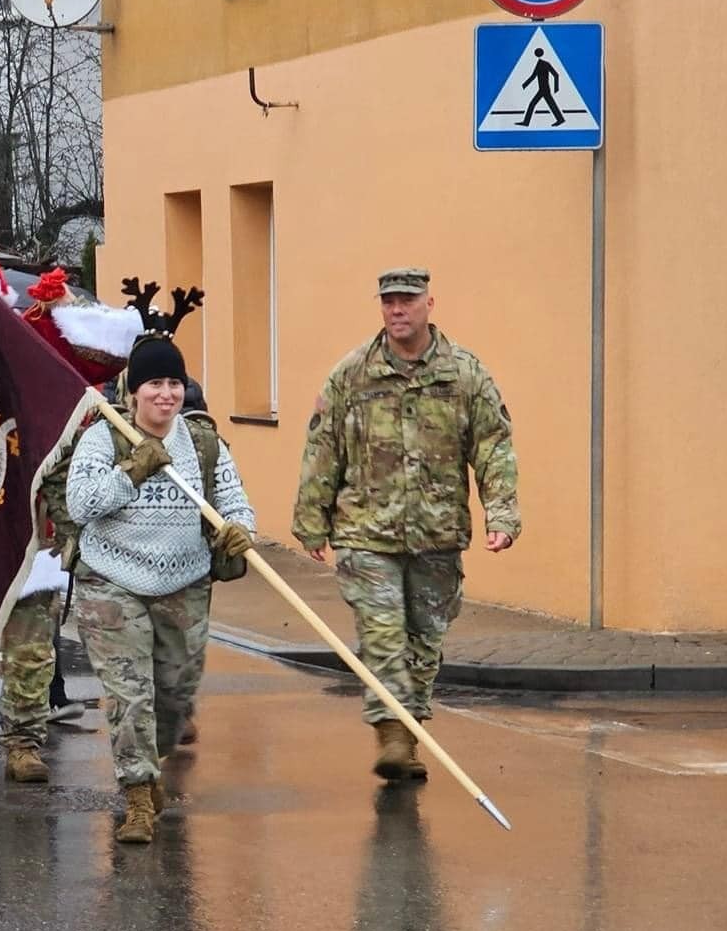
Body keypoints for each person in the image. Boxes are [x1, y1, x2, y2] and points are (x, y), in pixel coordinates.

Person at [292, 267, 519, 782]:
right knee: (383, 634)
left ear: (429, 304)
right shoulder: (351, 374)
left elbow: (493, 447)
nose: (397, 309)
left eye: (407, 300)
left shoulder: (464, 375)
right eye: (389, 301)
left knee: (424, 640)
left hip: (437, 533)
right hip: (364, 532)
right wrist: (311, 519)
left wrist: (501, 514)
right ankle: (391, 733)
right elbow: (322, 447)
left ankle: (408, 731)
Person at [67, 331, 255, 844]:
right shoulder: (103, 437)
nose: (165, 394)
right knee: (130, 697)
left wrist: (240, 531)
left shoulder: (200, 442)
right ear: (133, 390)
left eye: (174, 383)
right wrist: (133, 468)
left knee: (174, 696)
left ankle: (153, 760)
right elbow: (80, 504)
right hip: (111, 579)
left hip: (184, 581)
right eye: (154, 384)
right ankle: (137, 797)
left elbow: (235, 502)